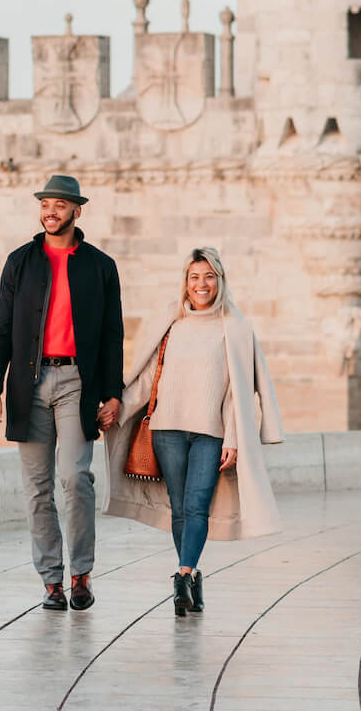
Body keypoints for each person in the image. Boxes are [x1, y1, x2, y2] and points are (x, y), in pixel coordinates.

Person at [103, 247, 284, 617]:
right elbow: (147, 377)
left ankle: (183, 575)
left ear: (220, 280)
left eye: (209, 277)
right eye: (195, 277)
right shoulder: (171, 323)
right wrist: (115, 409)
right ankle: (190, 579)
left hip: (210, 433)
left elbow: (237, 391)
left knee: (197, 505)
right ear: (185, 282)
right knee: (180, 507)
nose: (202, 284)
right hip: (166, 429)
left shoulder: (234, 327)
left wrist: (233, 437)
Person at [0, 174, 125, 612]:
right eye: (46, 204)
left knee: (75, 478)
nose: (51, 211)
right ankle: (51, 582)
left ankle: (81, 574)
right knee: (37, 489)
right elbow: (1, 325)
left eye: (60, 205)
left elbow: (113, 334)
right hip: (28, 383)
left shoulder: (100, 266)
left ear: (77, 211)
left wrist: (112, 393)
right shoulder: (20, 262)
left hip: (77, 382)